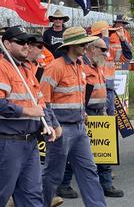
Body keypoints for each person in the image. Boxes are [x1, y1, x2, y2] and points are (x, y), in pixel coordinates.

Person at [41, 26, 107, 207]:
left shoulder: (80, 66)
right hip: (61, 129)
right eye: (82, 43)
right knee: (53, 174)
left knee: (89, 171)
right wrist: (52, 125)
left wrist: (82, 112)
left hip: (79, 128)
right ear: (71, 45)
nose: (86, 45)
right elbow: (43, 101)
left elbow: (76, 96)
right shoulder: (55, 67)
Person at [57, 38, 125, 198]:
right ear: (92, 49)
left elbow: (102, 91)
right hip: (85, 113)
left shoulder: (97, 66)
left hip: (98, 112)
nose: (106, 53)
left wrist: (104, 110)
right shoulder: (81, 66)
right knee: (75, 152)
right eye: (102, 49)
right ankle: (64, 185)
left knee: (104, 151)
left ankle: (106, 184)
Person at [0, 26, 58, 207]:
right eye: (21, 42)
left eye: (28, 42)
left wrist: (47, 124)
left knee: (32, 195)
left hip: (30, 142)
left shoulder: (26, 70)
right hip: (8, 142)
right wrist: (26, 112)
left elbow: (40, 103)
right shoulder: (2, 67)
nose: (27, 46)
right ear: (7, 44)